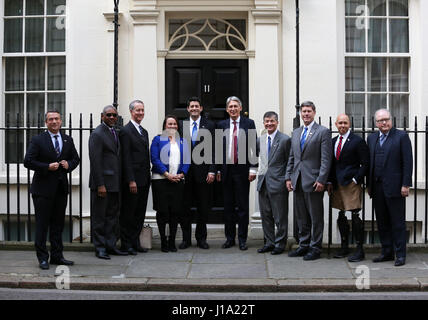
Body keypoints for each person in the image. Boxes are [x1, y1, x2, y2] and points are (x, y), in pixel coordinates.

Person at [24, 110, 80, 270]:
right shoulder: (38, 140)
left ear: (61, 121)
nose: (54, 121)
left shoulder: (67, 139)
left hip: (61, 189)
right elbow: (28, 161)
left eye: (56, 119)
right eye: (50, 119)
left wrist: (69, 165)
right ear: (46, 122)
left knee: (58, 225)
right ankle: (42, 258)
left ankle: (57, 256)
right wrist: (47, 167)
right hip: (42, 190)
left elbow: (76, 158)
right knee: (42, 225)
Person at [285, 101, 332, 261]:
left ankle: (315, 247)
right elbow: (292, 157)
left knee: (315, 217)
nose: (306, 114)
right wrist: (288, 177)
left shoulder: (323, 132)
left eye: (308, 111)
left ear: (314, 112)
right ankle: (303, 245)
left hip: (314, 181)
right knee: (301, 217)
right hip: (297, 180)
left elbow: (326, 159)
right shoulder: (296, 132)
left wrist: (322, 180)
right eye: (303, 111)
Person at [367, 109, 413, 267]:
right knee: (382, 222)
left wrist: (406, 184)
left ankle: (400, 255)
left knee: (397, 222)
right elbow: (370, 164)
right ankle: (387, 252)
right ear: (376, 123)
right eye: (380, 121)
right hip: (377, 187)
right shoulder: (371, 138)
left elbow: (408, 162)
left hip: (395, 187)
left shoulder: (401, 137)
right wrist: (369, 185)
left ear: (391, 120)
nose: (384, 123)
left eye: (386, 119)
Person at [216, 96, 258, 251]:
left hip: (242, 170)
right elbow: (218, 149)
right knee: (227, 206)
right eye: (230, 107)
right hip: (226, 170)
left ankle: (242, 239)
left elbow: (254, 146)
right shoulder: (221, 124)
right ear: (227, 110)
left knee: (242, 206)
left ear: (240, 108)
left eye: (235, 106)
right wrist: (218, 169)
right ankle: (229, 238)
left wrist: (253, 168)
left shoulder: (249, 123)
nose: (233, 109)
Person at [327, 114, 369, 262]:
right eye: (340, 123)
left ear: (349, 124)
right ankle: (344, 247)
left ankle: (359, 250)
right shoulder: (332, 141)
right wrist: (330, 182)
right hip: (337, 184)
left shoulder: (358, 141)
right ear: (336, 125)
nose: (342, 125)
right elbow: (331, 164)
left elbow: (365, 164)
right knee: (341, 215)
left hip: (351, 184)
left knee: (355, 215)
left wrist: (355, 179)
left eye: (345, 123)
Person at [89, 105, 128, 259]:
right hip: (103, 184)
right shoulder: (97, 134)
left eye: (114, 115)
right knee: (100, 217)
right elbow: (95, 161)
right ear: (102, 116)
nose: (112, 118)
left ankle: (111, 245)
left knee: (112, 217)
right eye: (109, 115)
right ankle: (100, 248)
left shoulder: (114, 132)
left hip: (115, 184)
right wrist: (100, 184)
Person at [179, 97, 216, 250]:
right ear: (188, 109)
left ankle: (201, 238)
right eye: (191, 106)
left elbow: (215, 149)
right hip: (184, 173)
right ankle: (186, 239)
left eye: (197, 106)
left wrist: (212, 170)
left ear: (201, 108)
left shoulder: (210, 125)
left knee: (203, 207)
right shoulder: (180, 125)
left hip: (203, 172)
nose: (194, 108)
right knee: (184, 207)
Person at [151, 115, 190, 252]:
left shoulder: (183, 142)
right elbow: (155, 159)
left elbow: (187, 160)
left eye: (174, 124)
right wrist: (167, 174)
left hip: (178, 181)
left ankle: (172, 241)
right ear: (164, 126)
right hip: (160, 181)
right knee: (162, 212)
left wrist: (182, 173)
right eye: (169, 124)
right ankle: (163, 241)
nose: (172, 126)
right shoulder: (157, 139)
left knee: (175, 212)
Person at [119, 100, 151, 255]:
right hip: (133, 181)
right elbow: (125, 158)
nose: (140, 113)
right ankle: (126, 244)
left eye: (142, 110)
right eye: (137, 110)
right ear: (131, 111)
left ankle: (135, 242)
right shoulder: (126, 131)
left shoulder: (144, 131)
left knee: (139, 213)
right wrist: (131, 180)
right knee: (129, 213)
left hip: (144, 179)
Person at [256, 111, 291, 255]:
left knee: (280, 216)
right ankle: (269, 242)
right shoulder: (260, 139)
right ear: (263, 123)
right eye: (266, 121)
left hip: (278, 182)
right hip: (263, 182)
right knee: (266, 215)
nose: (269, 124)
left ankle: (280, 243)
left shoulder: (285, 140)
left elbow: (290, 161)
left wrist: (287, 178)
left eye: (272, 121)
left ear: (277, 122)